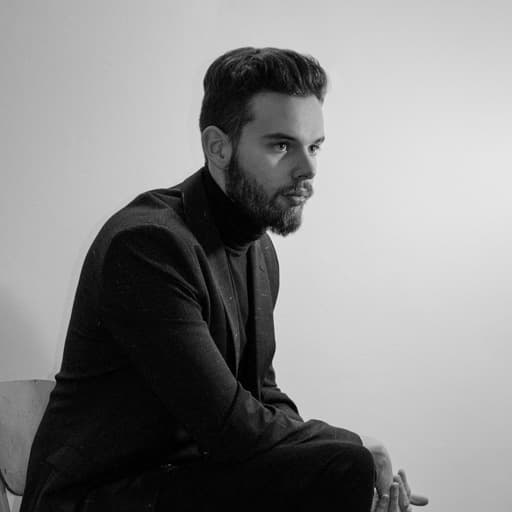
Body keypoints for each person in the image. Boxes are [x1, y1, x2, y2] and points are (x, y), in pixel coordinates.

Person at [21, 47, 428, 512]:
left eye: (314, 146)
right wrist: (352, 449)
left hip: (180, 482)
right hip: (97, 498)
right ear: (218, 147)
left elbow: (263, 396)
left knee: (339, 466)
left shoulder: (259, 251)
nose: (309, 168)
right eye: (281, 146)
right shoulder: (147, 246)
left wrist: (340, 463)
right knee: (343, 464)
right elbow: (231, 426)